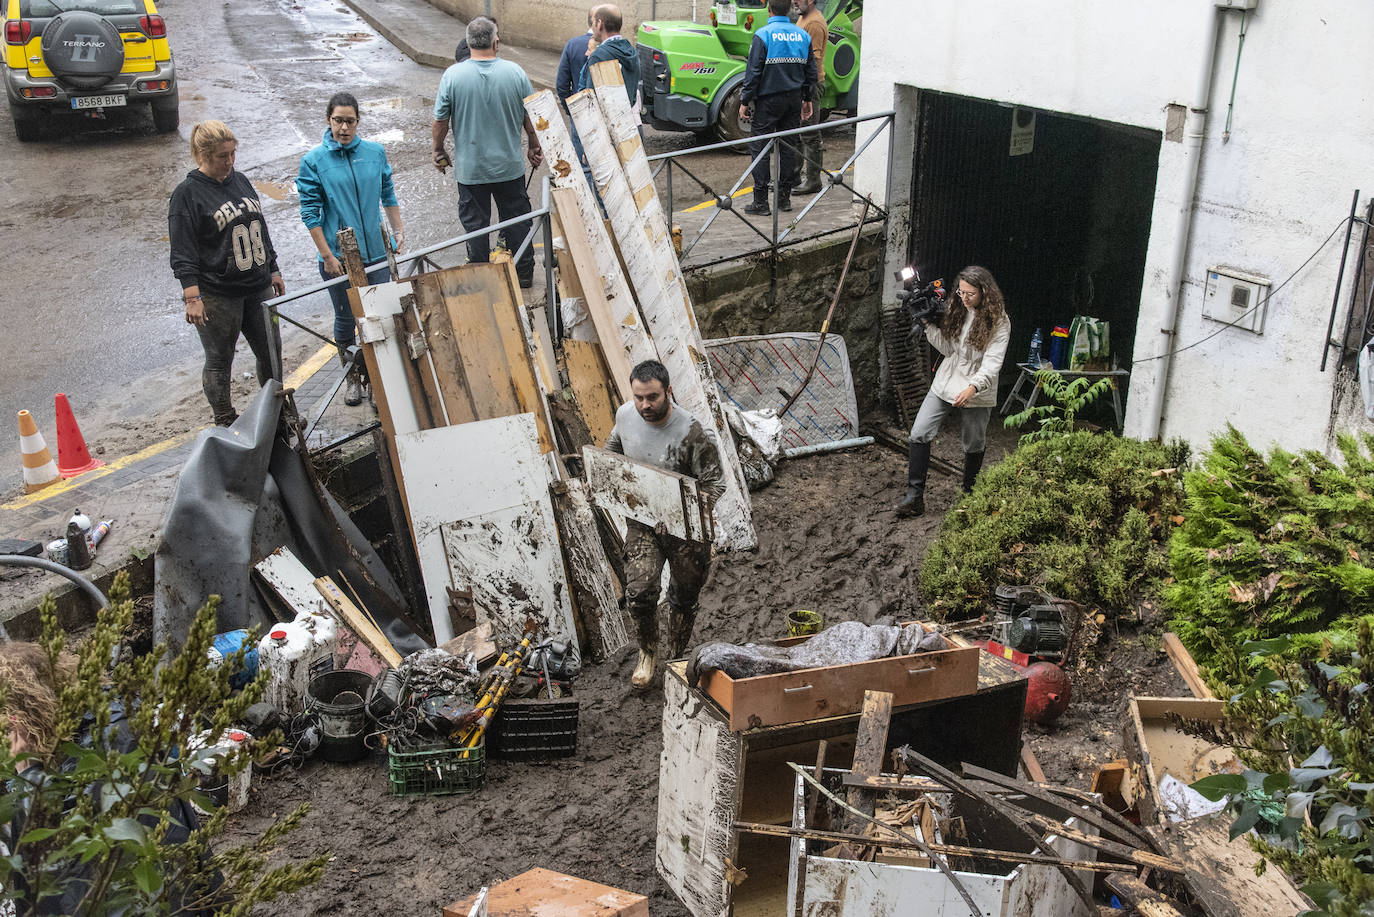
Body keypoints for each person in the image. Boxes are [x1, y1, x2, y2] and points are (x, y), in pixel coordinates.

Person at [606, 360, 724, 689]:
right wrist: (612, 476)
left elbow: (715, 485)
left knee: (684, 596)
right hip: (643, 521)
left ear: (668, 391)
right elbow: (613, 446)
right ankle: (647, 651)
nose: (644, 405)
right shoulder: (626, 415)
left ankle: (675, 655)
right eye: (639, 397)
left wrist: (676, 516)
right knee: (640, 592)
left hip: (686, 528)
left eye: (653, 397)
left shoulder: (692, 431)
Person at [169, 120, 285, 427]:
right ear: (203, 155)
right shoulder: (187, 195)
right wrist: (191, 296)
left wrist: (273, 268)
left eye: (233, 153)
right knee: (220, 360)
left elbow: (260, 229)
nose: (230, 161)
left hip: (257, 286)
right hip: (218, 293)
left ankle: (276, 412)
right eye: (223, 156)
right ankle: (225, 419)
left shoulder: (241, 180)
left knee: (271, 351)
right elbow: (182, 250)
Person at [297, 91, 404, 406]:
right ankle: (352, 378)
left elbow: (388, 192)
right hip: (339, 259)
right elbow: (310, 213)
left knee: (381, 317)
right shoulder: (314, 161)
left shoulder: (374, 153)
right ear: (328, 120)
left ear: (358, 121)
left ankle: (378, 378)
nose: (344, 128)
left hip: (375, 255)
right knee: (346, 320)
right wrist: (328, 256)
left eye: (350, 121)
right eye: (338, 120)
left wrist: (398, 232)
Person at [431, 17, 544, 288]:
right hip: (509, 168)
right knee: (517, 222)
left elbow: (440, 121)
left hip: (471, 172)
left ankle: (481, 278)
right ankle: (524, 274)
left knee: (476, 227)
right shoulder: (515, 72)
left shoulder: (452, 76)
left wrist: (437, 149)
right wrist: (534, 145)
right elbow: (531, 115)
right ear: (496, 41)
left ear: (469, 43)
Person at [896, 265, 1011, 517]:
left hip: (977, 389)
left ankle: (969, 496)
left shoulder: (999, 321)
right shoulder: (958, 308)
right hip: (947, 379)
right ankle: (915, 497)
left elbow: (993, 363)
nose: (964, 298)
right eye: (961, 292)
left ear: (984, 292)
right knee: (919, 432)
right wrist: (927, 323)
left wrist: (973, 387)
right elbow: (949, 349)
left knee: (973, 443)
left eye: (970, 294)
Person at [739, 0, 816, 216]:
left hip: (768, 101)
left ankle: (761, 201)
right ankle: (784, 199)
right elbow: (811, 71)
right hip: (793, 99)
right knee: (788, 147)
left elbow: (753, 73)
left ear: (769, 9)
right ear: (790, 9)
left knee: (760, 147)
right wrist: (807, 98)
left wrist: (745, 101)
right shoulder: (802, 35)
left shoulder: (763, 35)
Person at [793, 0, 828, 194]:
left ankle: (813, 181)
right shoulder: (803, 18)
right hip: (802, 84)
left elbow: (813, 61)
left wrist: (806, 91)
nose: (794, 1)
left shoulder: (813, 23)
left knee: (810, 133)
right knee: (799, 132)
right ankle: (794, 177)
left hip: (810, 85)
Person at [577, 4, 639, 107]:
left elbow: (591, 102)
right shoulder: (632, 52)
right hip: (626, 118)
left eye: (593, 23)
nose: (592, 27)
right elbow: (633, 97)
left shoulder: (599, 56)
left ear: (600, 23)